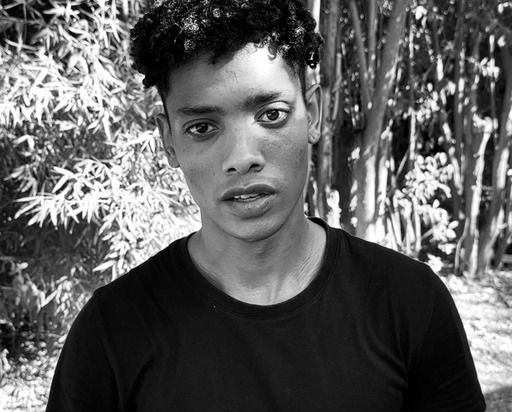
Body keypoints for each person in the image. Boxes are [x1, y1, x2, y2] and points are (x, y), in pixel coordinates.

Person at [46, 0, 486, 410]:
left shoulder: (409, 302)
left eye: (271, 114)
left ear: (313, 114)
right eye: (202, 127)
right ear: (168, 140)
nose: (242, 157)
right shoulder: (112, 330)